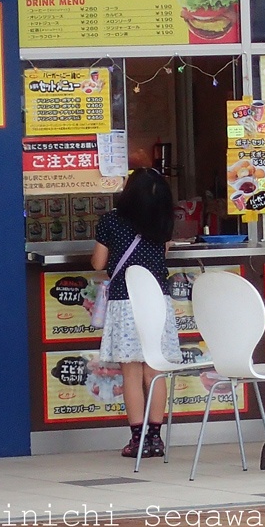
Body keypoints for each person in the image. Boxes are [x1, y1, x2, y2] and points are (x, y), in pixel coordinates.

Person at [90, 167, 181, 458]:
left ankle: (137, 439)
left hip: (124, 302)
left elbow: (97, 263)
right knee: (155, 372)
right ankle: (156, 439)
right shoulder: (163, 222)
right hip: (157, 302)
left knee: (131, 374)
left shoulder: (111, 221)